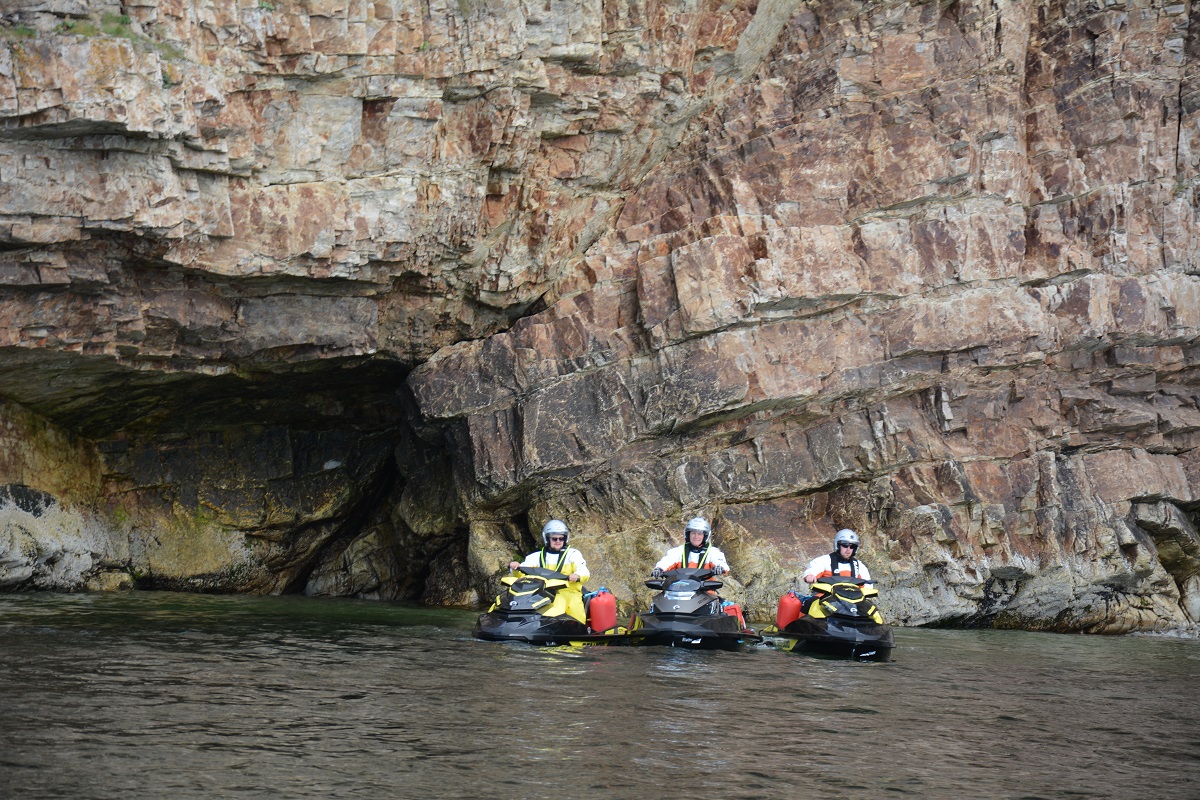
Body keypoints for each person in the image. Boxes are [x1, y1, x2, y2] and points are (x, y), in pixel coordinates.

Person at [509, 519, 590, 622]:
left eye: (561, 538)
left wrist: (577, 576)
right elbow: (522, 573)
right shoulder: (535, 557)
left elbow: (584, 571)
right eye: (554, 539)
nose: (558, 541)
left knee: (576, 613)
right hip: (542, 594)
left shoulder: (573, 554)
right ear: (547, 539)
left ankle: (579, 633)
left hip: (569, 593)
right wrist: (516, 567)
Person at [652, 516, 729, 576]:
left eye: (699, 534)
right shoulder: (677, 551)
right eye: (693, 533)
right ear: (688, 534)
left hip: (705, 590)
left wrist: (719, 567)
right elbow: (667, 561)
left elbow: (719, 561)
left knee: (715, 597)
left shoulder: (713, 552)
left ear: (705, 536)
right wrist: (659, 569)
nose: (696, 536)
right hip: (679, 589)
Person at [802, 528, 871, 584]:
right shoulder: (824, 560)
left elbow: (867, 586)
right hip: (826, 598)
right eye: (845, 545)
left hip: (851, 599)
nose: (848, 549)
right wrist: (810, 576)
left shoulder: (859, 566)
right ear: (837, 545)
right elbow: (813, 570)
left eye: (852, 546)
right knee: (811, 601)